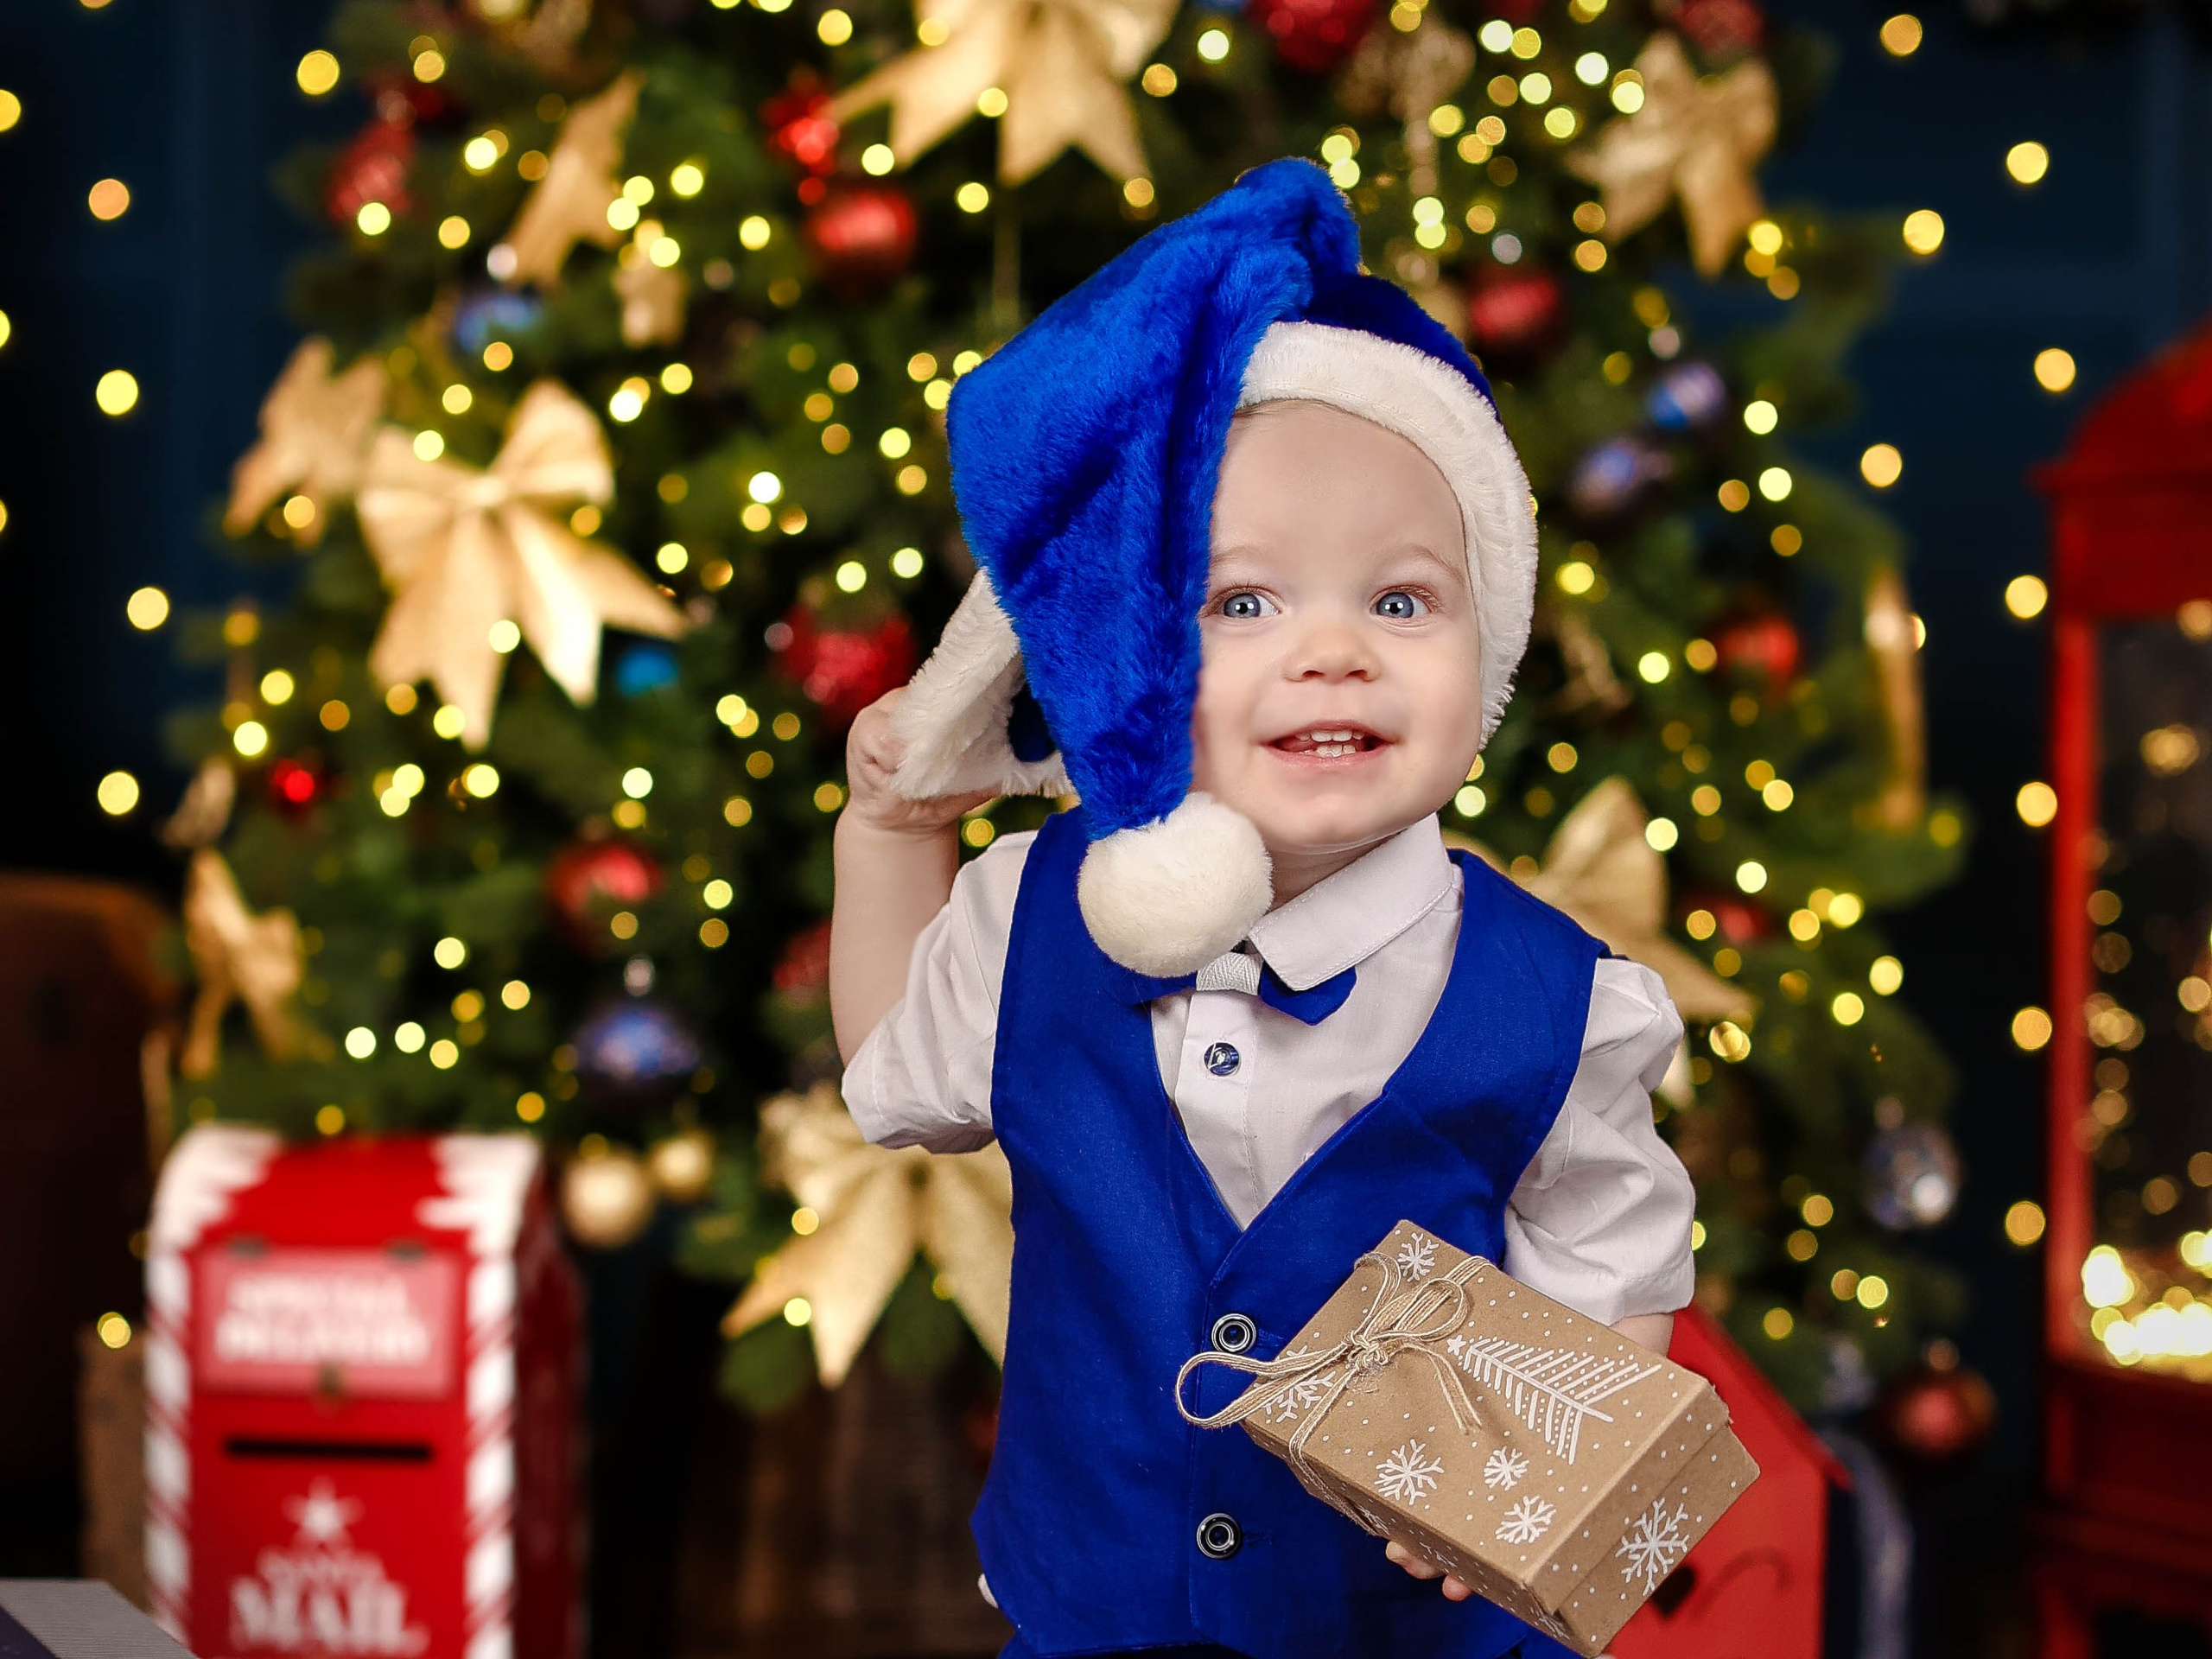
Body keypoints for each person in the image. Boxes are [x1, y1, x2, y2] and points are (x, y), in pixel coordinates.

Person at [827, 159, 1694, 1659]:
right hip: (1093, 1614)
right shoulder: (1030, 915)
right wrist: (888, 831)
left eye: (1403, 601)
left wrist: (1539, 1499)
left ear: (1485, 656)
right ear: (1136, 663)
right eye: (1243, 602)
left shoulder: (1558, 1002)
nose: (1335, 651)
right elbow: (894, 1070)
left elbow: (1617, 1268)